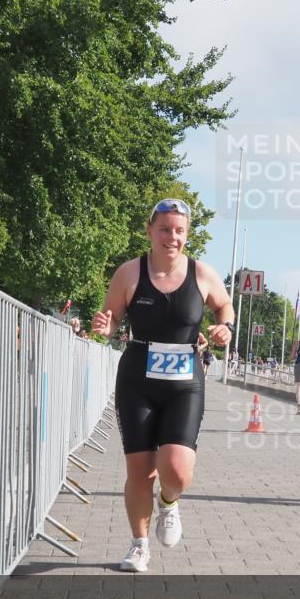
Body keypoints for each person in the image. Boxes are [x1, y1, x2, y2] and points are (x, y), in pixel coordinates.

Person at [92, 198, 234, 572]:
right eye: (165, 229)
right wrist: (105, 327)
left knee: (177, 470)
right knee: (140, 472)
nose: (173, 237)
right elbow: (111, 320)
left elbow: (225, 306)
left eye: (180, 231)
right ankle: (139, 546)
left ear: (187, 235)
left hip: (184, 383)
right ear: (150, 231)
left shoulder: (202, 274)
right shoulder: (129, 273)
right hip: (137, 379)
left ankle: (169, 503)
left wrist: (225, 327)